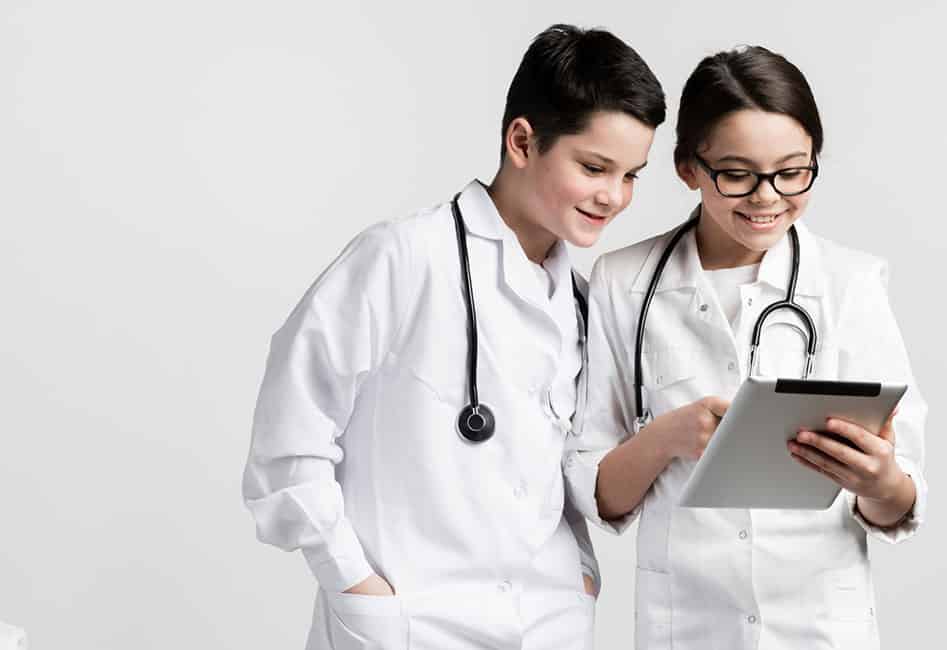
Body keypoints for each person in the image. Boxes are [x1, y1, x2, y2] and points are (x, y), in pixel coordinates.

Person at [242, 24, 665, 650]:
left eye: (632, 175)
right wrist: (353, 583)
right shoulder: (402, 258)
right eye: (594, 167)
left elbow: (565, 474)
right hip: (410, 623)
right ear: (522, 141)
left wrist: (578, 574)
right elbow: (288, 439)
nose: (614, 197)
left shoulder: (582, 302)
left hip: (549, 622)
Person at [564, 45, 928, 649]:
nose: (767, 197)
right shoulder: (621, 282)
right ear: (688, 167)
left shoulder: (850, 283)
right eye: (737, 174)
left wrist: (879, 479)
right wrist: (670, 436)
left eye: (792, 171)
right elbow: (599, 493)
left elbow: (899, 501)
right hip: (688, 623)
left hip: (817, 625)